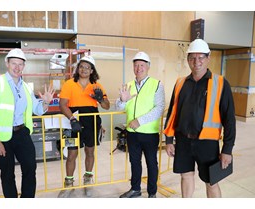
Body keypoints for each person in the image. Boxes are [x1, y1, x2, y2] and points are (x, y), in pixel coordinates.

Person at [163, 39, 236, 198]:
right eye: (192, 58)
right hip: (183, 141)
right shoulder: (181, 83)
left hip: (207, 143)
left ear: (208, 58)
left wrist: (227, 150)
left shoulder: (220, 83)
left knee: (211, 181)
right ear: (188, 59)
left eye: (201, 57)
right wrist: (169, 139)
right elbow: (173, 113)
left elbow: (229, 119)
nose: (197, 62)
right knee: (186, 176)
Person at [0, 48, 55, 198]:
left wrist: (46, 103)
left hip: (22, 133)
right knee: (7, 173)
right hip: (1, 137)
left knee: (30, 167)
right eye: (14, 63)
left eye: (20, 64)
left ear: (24, 66)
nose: (17, 67)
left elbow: (37, 109)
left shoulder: (26, 87)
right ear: (7, 63)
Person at [58, 55, 110, 197]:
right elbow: (62, 105)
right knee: (71, 154)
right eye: (82, 66)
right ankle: (68, 183)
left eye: (88, 67)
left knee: (89, 151)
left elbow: (107, 106)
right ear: (78, 68)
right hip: (72, 121)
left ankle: (87, 180)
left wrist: (100, 99)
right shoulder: (69, 84)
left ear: (92, 70)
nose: (84, 69)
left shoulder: (97, 86)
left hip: (91, 121)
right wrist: (72, 119)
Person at [116, 52, 165, 198]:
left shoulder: (157, 84)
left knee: (151, 164)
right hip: (132, 133)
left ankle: (152, 193)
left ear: (148, 67)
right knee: (134, 162)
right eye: (136, 65)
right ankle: (135, 189)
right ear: (133, 67)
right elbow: (118, 107)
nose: (139, 68)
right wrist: (122, 100)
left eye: (142, 65)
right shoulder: (129, 85)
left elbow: (159, 108)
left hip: (149, 134)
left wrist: (140, 121)